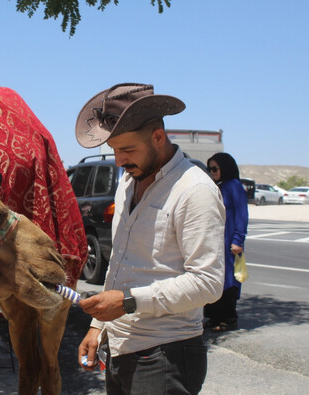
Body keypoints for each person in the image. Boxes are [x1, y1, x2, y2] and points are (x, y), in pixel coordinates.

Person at [75, 83, 226, 395]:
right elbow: (120, 261)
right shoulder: (128, 183)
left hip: (166, 355)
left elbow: (208, 282)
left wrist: (129, 301)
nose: (119, 161)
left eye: (128, 150)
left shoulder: (195, 190)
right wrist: (98, 326)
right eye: (114, 150)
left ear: (158, 137)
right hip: (121, 348)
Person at [203, 152, 249, 331]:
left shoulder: (234, 187)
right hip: (215, 243)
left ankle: (228, 319)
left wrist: (238, 240)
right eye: (210, 169)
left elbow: (242, 216)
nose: (212, 172)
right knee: (214, 278)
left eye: (215, 168)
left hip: (229, 243)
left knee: (228, 281)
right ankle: (214, 317)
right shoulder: (219, 186)